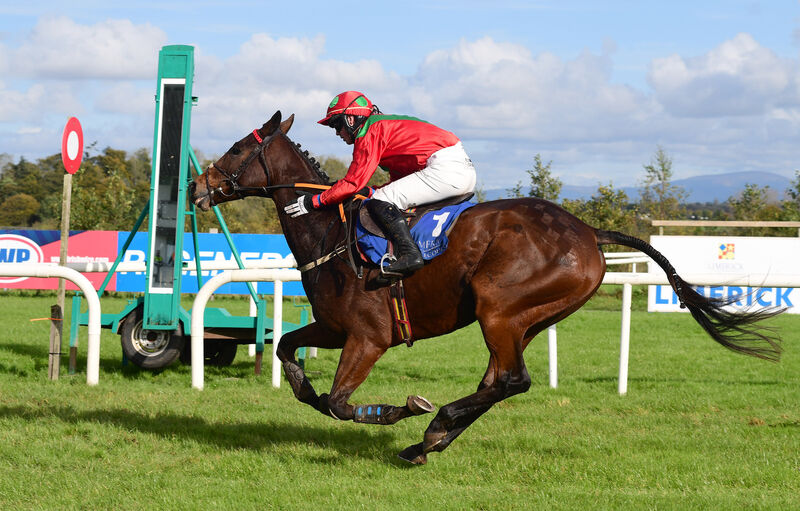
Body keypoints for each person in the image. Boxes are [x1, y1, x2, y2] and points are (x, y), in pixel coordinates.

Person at [284, 90, 476, 278]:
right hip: (458, 170)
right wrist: (368, 190)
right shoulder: (385, 128)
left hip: (446, 170)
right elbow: (399, 182)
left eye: (336, 125)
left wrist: (313, 202)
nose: (337, 133)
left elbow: (352, 182)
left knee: (380, 200)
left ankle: (410, 254)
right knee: (381, 196)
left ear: (350, 119)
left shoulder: (370, 132)